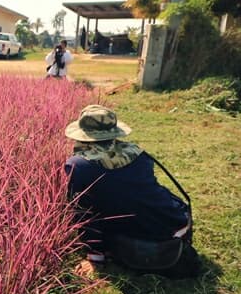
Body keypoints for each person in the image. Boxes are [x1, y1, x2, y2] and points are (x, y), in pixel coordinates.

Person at [64, 105, 201, 277]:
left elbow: (83, 212)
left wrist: (95, 257)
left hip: (137, 235)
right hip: (173, 221)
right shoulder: (136, 152)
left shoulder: (79, 165)